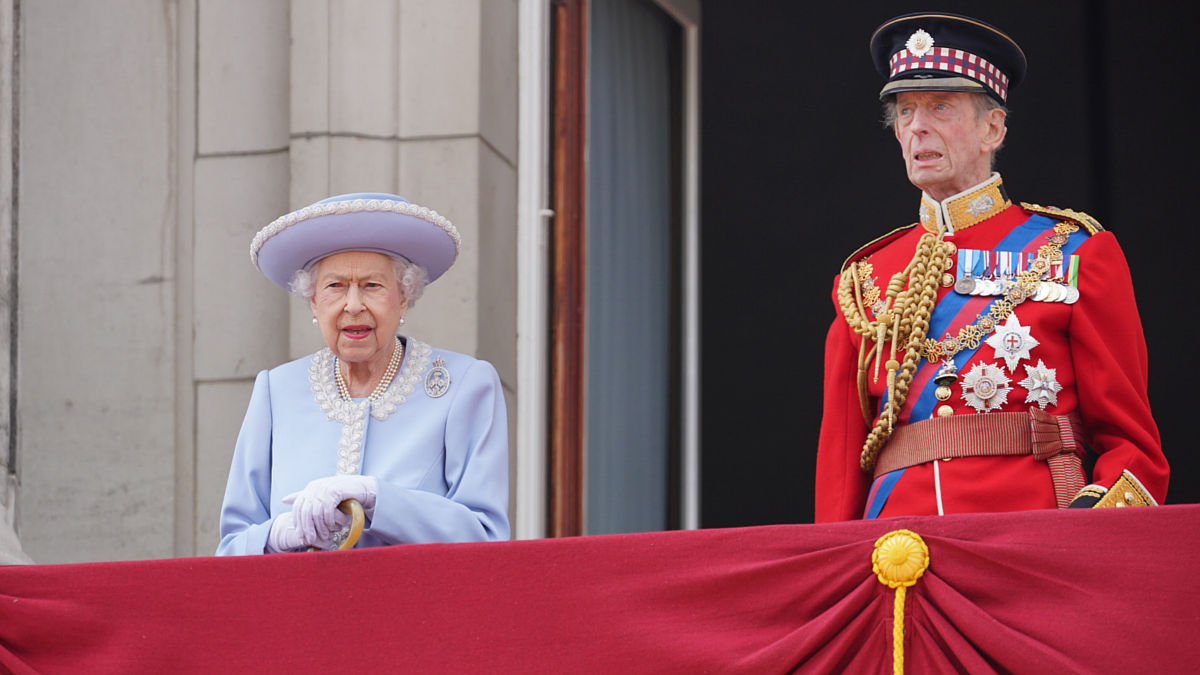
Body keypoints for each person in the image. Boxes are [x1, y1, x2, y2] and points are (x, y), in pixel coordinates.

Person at [815, 12, 1169, 521]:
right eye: (905, 111)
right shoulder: (866, 276)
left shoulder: (1073, 251)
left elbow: (1133, 450)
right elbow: (840, 469)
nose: (917, 127)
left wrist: (1084, 529)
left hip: (1031, 540)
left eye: (940, 106)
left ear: (992, 128)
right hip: (897, 547)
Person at [217, 193, 509, 554]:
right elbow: (231, 548)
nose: (353, 305)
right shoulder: (276, 391)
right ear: (313, 302)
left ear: (403, 297)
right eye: (335, 286)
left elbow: (485, 537)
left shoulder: (464, 385)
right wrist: (276, 536)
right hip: (299, 593)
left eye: (372, 285)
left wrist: (376, 498)